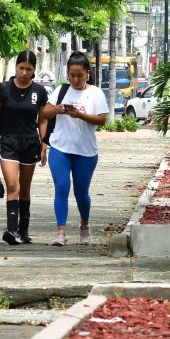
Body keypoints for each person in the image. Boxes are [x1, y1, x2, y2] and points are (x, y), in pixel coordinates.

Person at [41, 52, 108, 246]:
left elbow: (101, 119)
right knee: (61, 187)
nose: (76, 79)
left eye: (80, 75)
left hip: (85, 152)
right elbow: (44, 112)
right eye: (72, 75)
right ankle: (61, 232)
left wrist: (80, 115)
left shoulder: (95, 93)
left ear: (88, 73)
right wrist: (57, 109)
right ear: (68, 74)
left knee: (81, 192)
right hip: (60, 148)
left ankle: (84, 225)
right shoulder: (61, 91)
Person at [0, 50, 49, 245]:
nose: (24, 72)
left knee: (25, 188)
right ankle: (11, 230)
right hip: (8, 142)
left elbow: (42, 119)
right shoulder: (3, 89)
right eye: (21, 68)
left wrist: (44, 143)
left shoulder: (39, 91)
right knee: (13, 185)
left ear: (34, 71)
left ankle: (24, 230)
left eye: (28, 69)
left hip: (30, 143)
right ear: (15, 67)